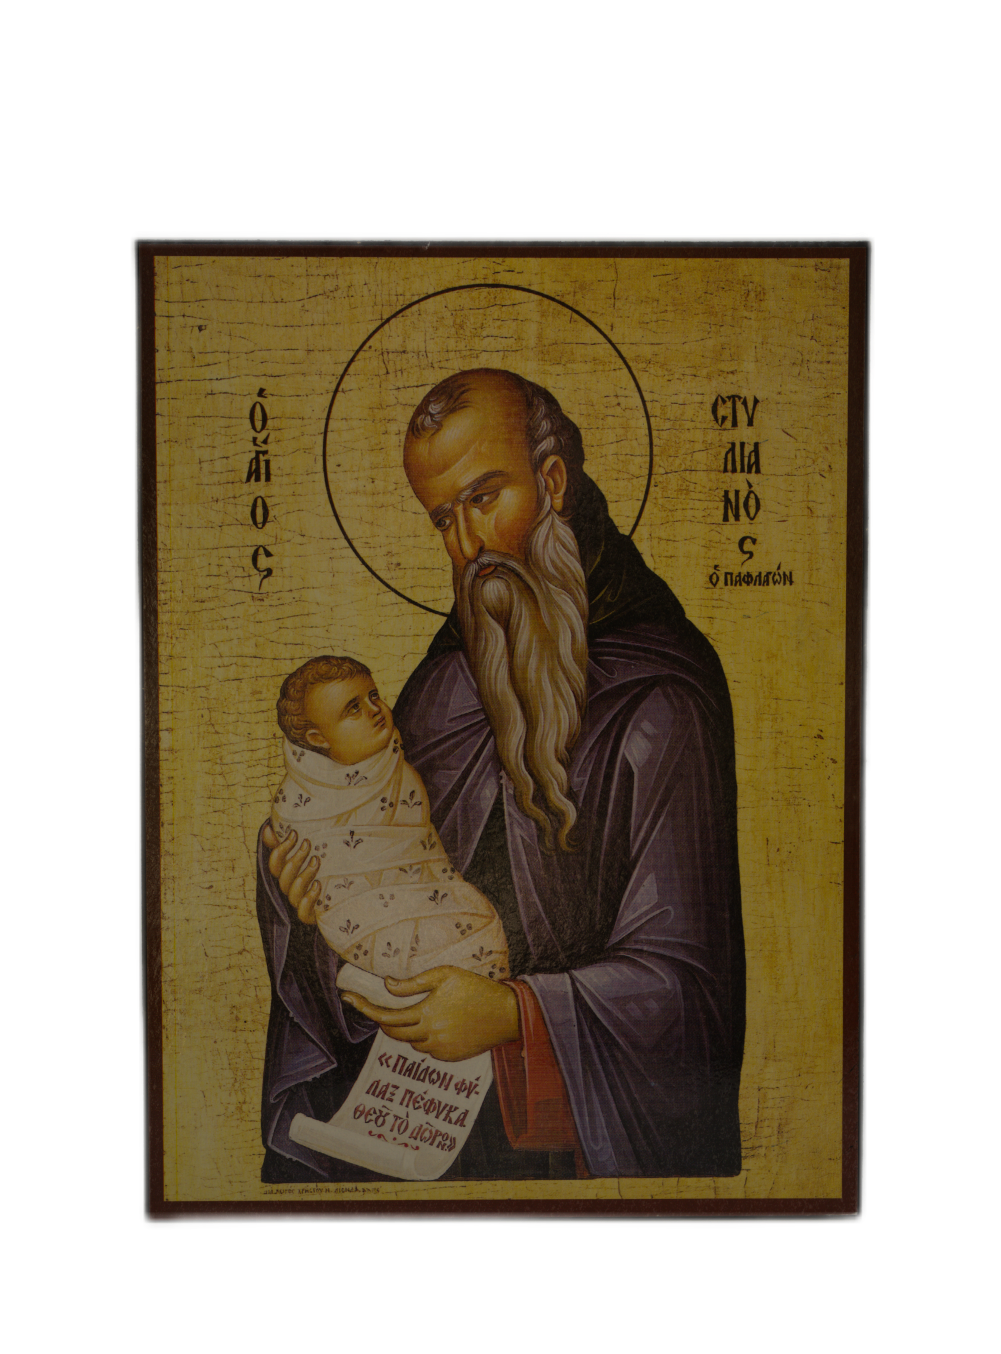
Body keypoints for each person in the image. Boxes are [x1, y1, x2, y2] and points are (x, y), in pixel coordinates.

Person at [259, 368, 745, 1182]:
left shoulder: (660, 700)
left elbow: (688, 992)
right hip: (412, 1108)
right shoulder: (447, 681)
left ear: (552, 483)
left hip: (560, 1145)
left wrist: (516, 1016)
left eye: (484, 498)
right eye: (442, 519)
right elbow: (383, 862)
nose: (467, 546)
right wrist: (306, 896)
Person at [270, 654, 509, 985]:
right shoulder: (302, 802)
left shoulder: (398, 770)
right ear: (317, 739)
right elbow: (326, 878)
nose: (375, 709)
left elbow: (424, 856)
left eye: (373, 696)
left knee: (480, 924)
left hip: (427, 892)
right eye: (353, 709)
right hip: (363, 917)